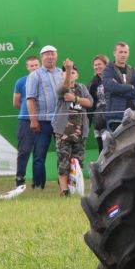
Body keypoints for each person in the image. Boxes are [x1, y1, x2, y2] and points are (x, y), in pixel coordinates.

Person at [52, 59, 93, 197]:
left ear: (78, 75)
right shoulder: (60, 87)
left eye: (73, 72)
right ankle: (64, 190)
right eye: (66, 73)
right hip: (63, 132)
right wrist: (67, 69)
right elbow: (65, 88)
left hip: (80, 132)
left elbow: (90, 102)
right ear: (62, 75)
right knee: (63, 162)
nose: (70, 74)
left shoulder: (82, 88)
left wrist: (75, 99)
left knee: (78, 162)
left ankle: (76, 188)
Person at [26, 45, 63, 190]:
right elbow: (30, 98)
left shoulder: (62, 73)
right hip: (42, 122)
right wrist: (33, 120)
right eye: (46, 54)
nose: (50, 57)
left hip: (60, 121)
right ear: (42, 57)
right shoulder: (35, 75)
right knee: (39, 155)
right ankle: (38, 185)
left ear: (56, 56)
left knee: (63, 154)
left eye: (52, 54)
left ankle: (64, 184)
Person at [102, 42, 135, 131]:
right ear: (114, 53)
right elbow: (111, 87)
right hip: (115, 115)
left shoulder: (132, 70)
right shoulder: (108, 70)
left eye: (125, 52)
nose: (123, 55)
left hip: (132, 114)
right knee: (116, 143)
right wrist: (129, 87)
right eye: (120, 52)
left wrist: (120, 91)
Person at [13, 55, 40, 188]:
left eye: (36, 65)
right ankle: (20, 178)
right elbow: (16, 103)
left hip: (42, 119)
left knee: (39, 152)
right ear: (27, 67)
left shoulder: (44, 80)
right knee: (24, 150)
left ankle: (37, 181)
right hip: (24, 120)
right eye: (32, 65)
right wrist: (28, 111)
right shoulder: (21, 82)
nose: (34, 67)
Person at [87, 54, 108, 151]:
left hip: (113, 118)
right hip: (100, 121)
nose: (97, 67)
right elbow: (90, 105)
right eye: (95, 65)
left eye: (100, 64)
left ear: (106, 65)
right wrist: (88, 122)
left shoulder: (114, 79)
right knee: (102, 148)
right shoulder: (92, 83)